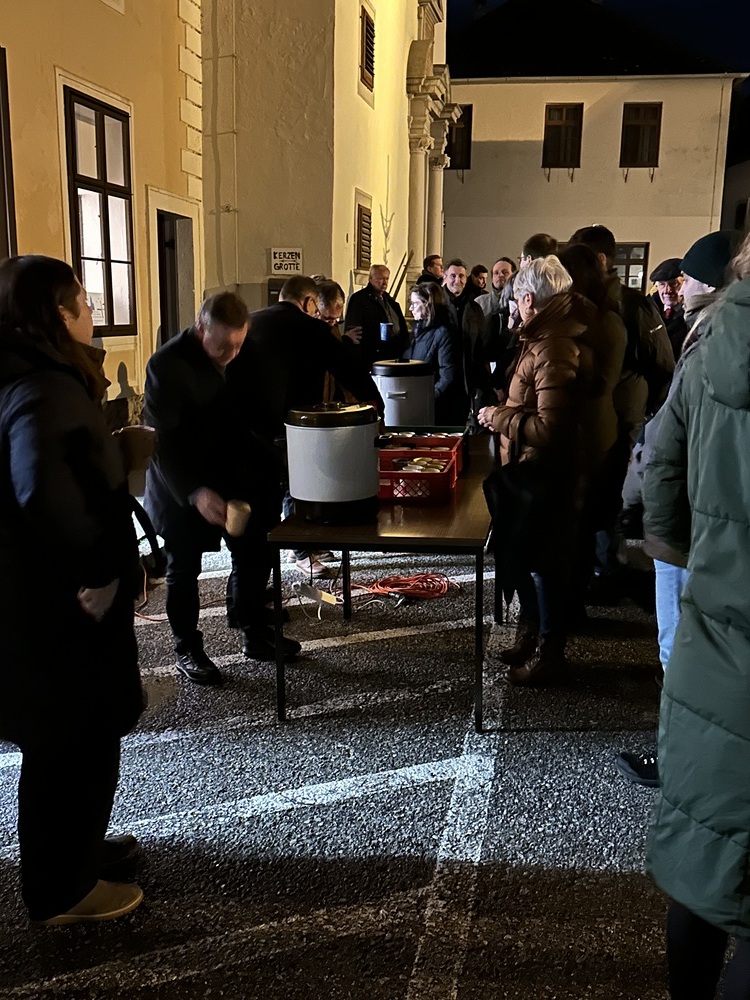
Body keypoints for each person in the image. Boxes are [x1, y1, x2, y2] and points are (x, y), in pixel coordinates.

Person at [0, 254, 144, 924]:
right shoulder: (44, 387)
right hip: (58, 605)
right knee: (72, 741)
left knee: (63, 738)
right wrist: (98, 570)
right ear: (58, 314)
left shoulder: (23, 373)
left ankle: (76, 852)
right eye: (83, 300)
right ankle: (63, 889)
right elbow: (43, 488)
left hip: (32, 598)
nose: (92, 310)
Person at [641, 232, 750, 1000]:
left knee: (707, 860)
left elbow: (662, 478)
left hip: (715, 638)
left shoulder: (710, 345)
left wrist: (701, 561)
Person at [615, 229, 742, 788]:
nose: (680, 286)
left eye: (688, 277)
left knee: (680, 649)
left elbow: (670, 445)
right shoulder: (718, 333)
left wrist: (651, 525)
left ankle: (680, 761)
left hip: (690, 523)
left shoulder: (713, 338)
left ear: (711, 282)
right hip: (711, 525)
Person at [144, 292, 300, 686]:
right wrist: (196, 491)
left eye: (238, 344)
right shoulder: (166, 364)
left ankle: (254, 630)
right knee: (184, 569)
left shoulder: (248, 353)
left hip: (236, 471)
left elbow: (260, 416)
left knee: (254, 554)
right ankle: (187, 648)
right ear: (201, 329)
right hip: (182, 478)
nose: (231, 354)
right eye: (222, 346)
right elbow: (164, 442)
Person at [478, 255, 596, 684]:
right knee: (527, 557)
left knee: (546, 566)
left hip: (544, 474)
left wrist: (498, 416)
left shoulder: (554, 345)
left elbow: (549, 428)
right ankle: (530, 637)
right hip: (531, 470)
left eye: (515, 299)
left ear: (528, 299)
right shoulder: (546, 335)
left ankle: (549, 654)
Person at [230, 275, 382, 578]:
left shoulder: (251, 322)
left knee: (259, 512)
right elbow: (349, 369)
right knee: (296, 487)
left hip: (248, 430)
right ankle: (300, 552)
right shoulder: (311, 328)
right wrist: (376, 406)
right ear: (309, 301)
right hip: (293, 427)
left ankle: (256, 583)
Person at [403, 282, 466, 425]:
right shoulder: (419, 332)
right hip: (421, 402)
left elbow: (447, 376)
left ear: (428, 304)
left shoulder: (444, 332)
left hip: (440, 408)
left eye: (415, 303)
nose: (411, 308)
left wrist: (426, 398)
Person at [442, 258, 495, 425]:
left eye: (461, 276)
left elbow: (480, 346)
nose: (457, 280)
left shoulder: (474, 308)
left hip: (465, 380)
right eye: (453, 276)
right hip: (442, 381)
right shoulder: (436, 304)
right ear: (445, 276)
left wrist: (484, 382)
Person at [344, 264, 408, 371]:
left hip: (393, 354)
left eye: (386, 279)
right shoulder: (359, 299)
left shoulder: (390, 301)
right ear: (370, 278)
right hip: (372, 356)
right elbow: (354, 330)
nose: (384, 282)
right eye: (380, 279)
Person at [649, 258, 687, 361]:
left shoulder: (692, 314)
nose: (667, 290)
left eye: (673, 284)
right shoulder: (647, 310)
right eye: (662, 284)